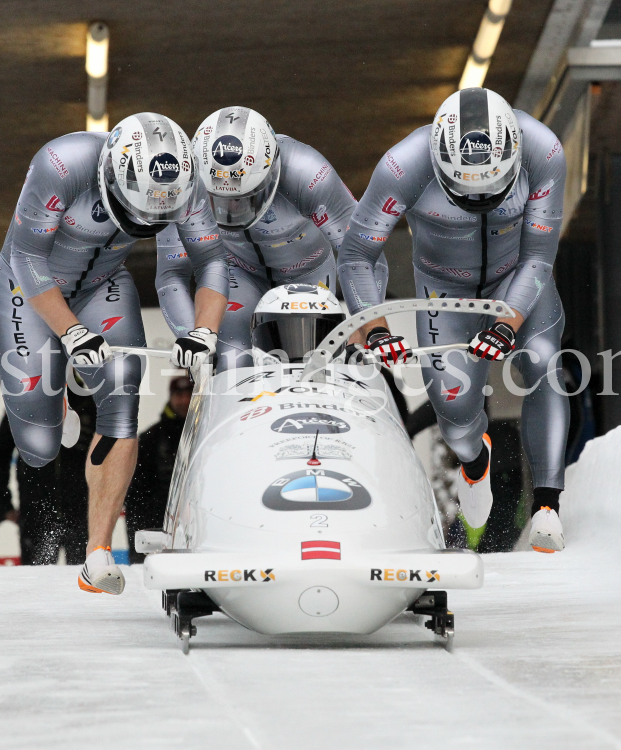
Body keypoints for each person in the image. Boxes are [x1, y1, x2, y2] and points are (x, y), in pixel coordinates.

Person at [0, 113, 229, 595]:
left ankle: (96, 555)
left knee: (123, 396)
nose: (146, 222)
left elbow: (211, 260)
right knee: (37, 446)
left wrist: (205, 330)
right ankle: (55, 394)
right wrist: (71, 331)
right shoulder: (61, 163)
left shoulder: (185, 183)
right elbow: (27, 256)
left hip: (103, 283)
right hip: (29, 287)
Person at [337, 87, 568, 553]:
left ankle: (547, 505)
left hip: (517, 278)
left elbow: (540, 257)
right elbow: (357, 255)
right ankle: (474, 460)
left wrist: (508, 322)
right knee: (455, 415)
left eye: (492, 189)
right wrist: (376, 327)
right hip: (445, 291)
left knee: (543, 363)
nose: (479, 199)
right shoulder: (403, 165)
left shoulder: (543, 150)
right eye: (465, 191)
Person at [155, 106, 389, 368]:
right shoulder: (180, 183)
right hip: (237, 272)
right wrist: (195, 337)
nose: (232, 211)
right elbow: (172, 273)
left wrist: (364, 328)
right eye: (219, 199)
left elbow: (364, 255)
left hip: (306, 273)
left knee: (313, 363)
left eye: (246, 198)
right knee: (231, 361)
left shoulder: (308, 172)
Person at [0, 388, 96, 565]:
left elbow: (111, 455)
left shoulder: (89, 404)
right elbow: (0, 453)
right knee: (35, 585)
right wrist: (3, 503)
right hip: (36, 515)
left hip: (83, 514)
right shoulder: (23, 405)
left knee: (87, 582)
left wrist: (108, 502)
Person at [124, 375, 193, 564]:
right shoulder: (150, 439)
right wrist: (139, 551)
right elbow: (136, 498)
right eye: (179, 395)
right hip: (159, 528)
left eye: (189, 395)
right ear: (171, 397)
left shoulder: (210, 436)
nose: (184, 401)